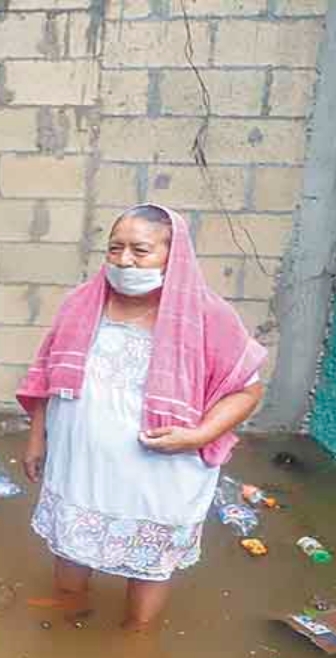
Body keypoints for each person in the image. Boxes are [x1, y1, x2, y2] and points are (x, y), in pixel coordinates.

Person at [17, 203, 267, 632]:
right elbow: (47, 378)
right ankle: (70, 605)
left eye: (141, 250)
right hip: (81, 462)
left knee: (150, 557)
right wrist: (37, 439)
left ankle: (136, 634)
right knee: (72, 537)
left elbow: (249, 389)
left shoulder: (207, 315)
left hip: (161, 468)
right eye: (115, 248)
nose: (124, 260)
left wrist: (200, 435)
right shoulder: (82, 304)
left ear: (174, 256)